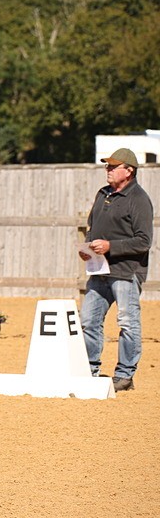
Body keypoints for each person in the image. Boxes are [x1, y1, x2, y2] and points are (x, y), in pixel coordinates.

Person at [79, 147, 153, 392]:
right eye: (107, 166)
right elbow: (92, 226)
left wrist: (111, 246)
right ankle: (89, 369)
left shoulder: (139, 200)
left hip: (126, 271)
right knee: (88, 321)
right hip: (99, 270)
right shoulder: (103, 194)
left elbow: (143, 241)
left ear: (128, 171)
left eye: (113, 166)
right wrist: (88, 248)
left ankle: (124, 375)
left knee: (128, 323)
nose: (107, 170)